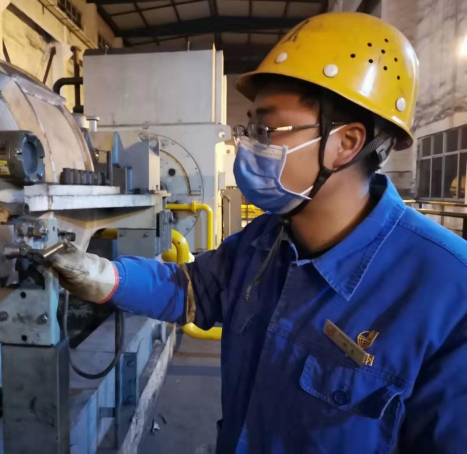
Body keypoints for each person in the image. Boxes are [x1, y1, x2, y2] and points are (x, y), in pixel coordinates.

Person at [51, 12, 467, 454]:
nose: (248, 145)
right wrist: (103, 277)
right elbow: (193, 289)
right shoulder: (264, 240)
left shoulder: (448, 290)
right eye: (249, 129)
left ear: (346, 143)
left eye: (267, 130)